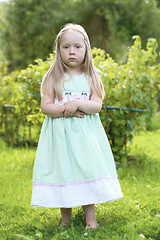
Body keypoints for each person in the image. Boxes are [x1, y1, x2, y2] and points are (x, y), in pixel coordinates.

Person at [31, 23, 123, 230]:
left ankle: (91, 219)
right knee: (64, 172)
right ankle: (66, 220)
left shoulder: (92, 77)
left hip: (85, 138)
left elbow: (96, 105)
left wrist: (78, 104)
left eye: (77, 46)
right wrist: (64, 109)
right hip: (60, 138)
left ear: (86, 49)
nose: (72, 51)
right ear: (59, 50)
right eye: (66, 47)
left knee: (84, 172)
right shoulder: (53, 78)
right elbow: (46, 107)